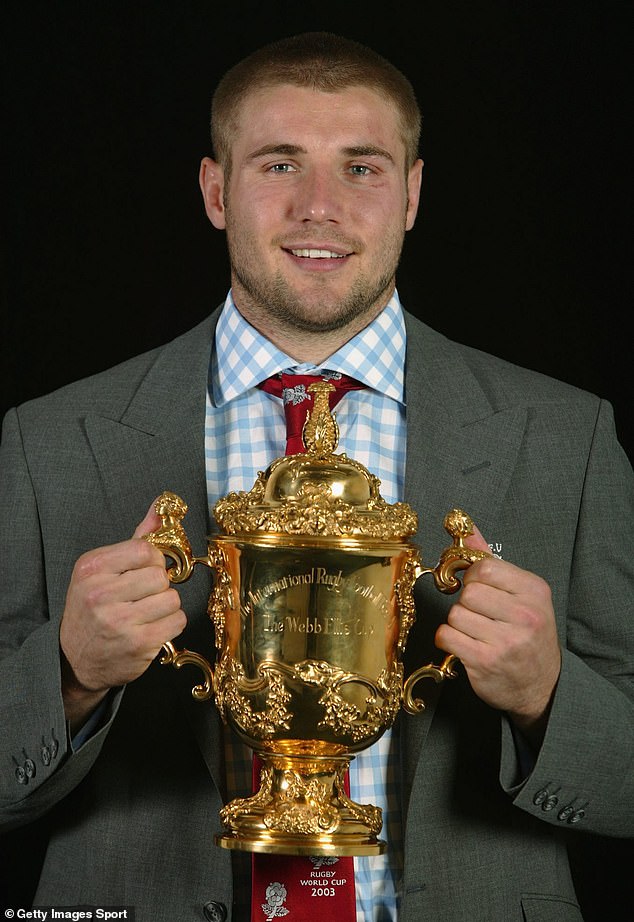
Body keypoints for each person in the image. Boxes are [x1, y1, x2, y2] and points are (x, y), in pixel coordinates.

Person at [0, 31, 632, 922]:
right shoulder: (47, 441)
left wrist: (548, 701)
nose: (320, 207)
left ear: (412, 194)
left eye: (363, 168)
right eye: (280, 164)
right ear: (217, 191)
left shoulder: (569, 436)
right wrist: (65, 678)